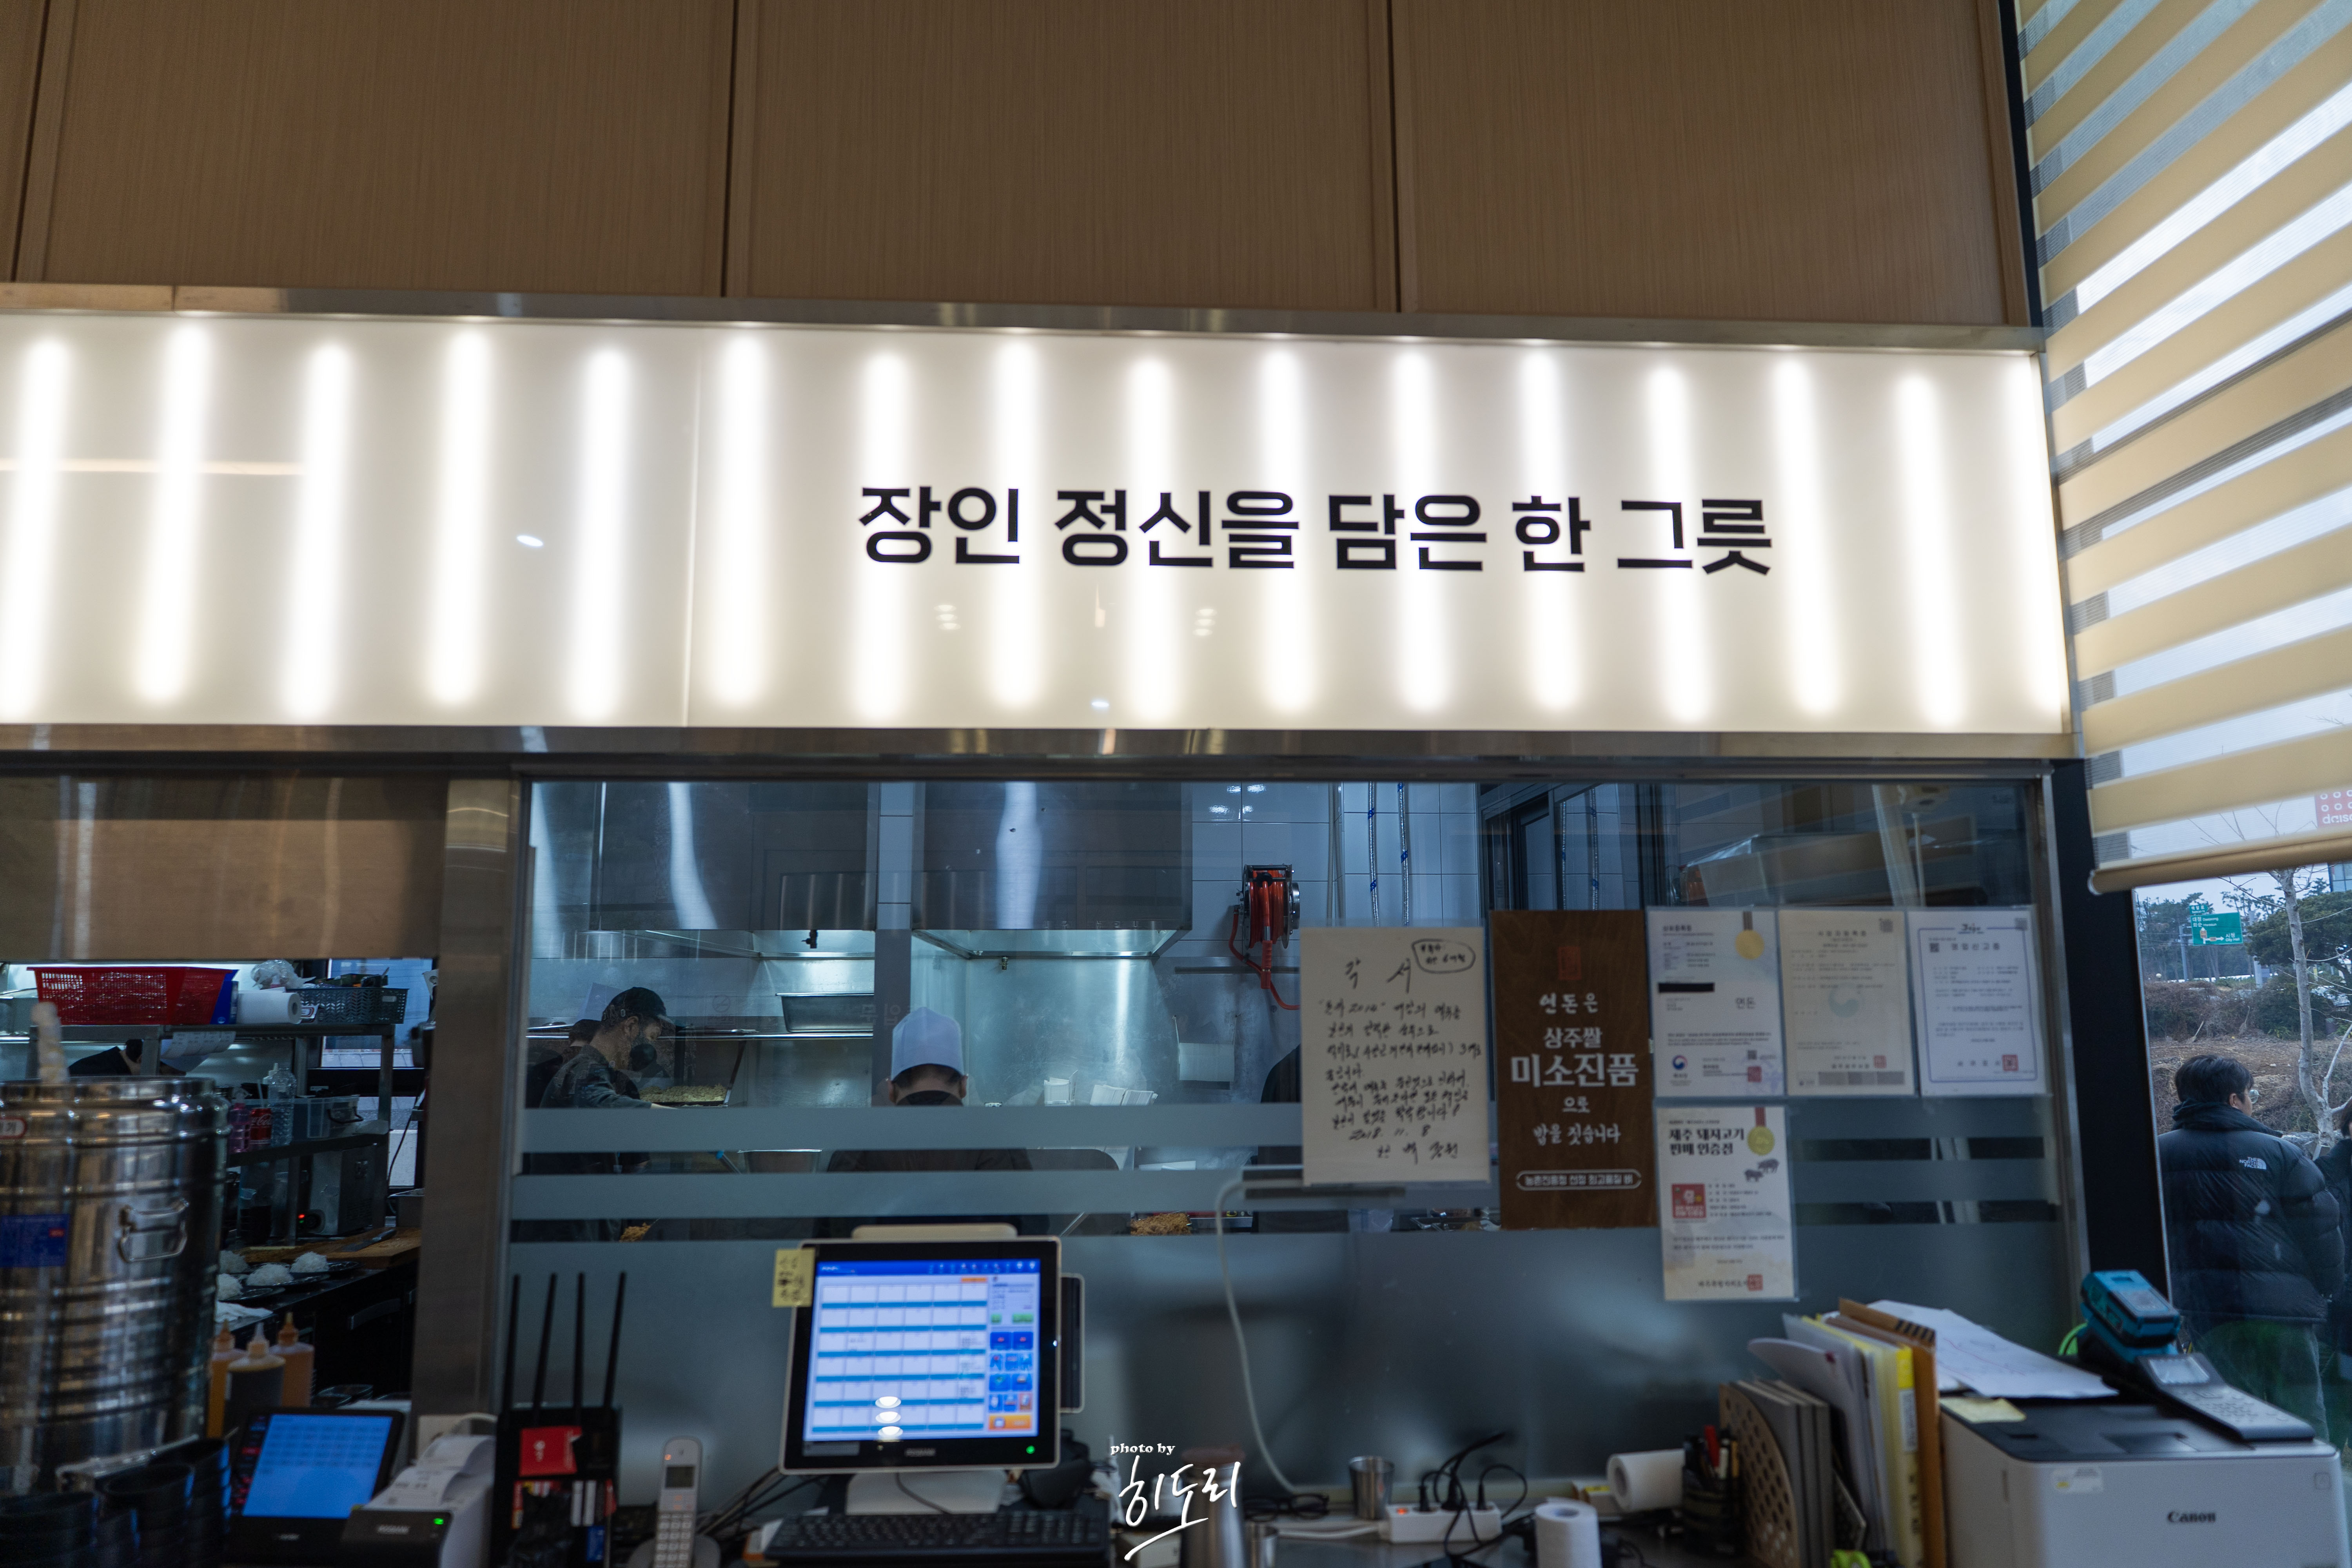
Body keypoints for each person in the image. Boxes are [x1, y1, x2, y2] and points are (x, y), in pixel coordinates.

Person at [2160, 1053, 2342, 1436]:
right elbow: (2321, 1230)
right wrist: (2326, 1289)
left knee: (2231, 1420)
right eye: (2251, 1094)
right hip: (2285, 1312)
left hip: (2210, 1311)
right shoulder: (2281, 1153)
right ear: (2234, 1100)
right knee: (2303, 1420)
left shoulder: (2158, 1154)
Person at [819, 1008, 1034, 1237]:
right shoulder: (999, 1139)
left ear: (891, 1089)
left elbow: (830, 1236)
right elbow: (1033, 1228)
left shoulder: (858, 1145)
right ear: (964, 1086)